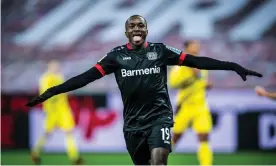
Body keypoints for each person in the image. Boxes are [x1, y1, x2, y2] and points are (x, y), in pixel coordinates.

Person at [26, 15, 262, 165]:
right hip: (133, 124)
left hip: (160, 117)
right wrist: (53, 90)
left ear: (146, 31)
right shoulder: (115, 57)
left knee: (159, 160)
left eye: (141, 25)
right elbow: (85, 77)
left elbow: (196, 61)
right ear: (126, 32)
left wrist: (231, 66)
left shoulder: (160, 51)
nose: (137, 28)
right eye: (132, 26)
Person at [168, 40, 213, 165]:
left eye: (197, 45)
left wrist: (205, 85)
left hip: (201, 106)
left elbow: (200, 82)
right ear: (187, 48)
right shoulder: (180, 65)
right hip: (185, 106)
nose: (197, 47)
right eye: (194, 45)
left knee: (204, 137)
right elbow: (173, 83)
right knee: (175, 137)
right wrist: (190, 77)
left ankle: (206, 164)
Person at [30, 60, 83, 165]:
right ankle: (35, 151)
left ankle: (74, 157)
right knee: (48, 133)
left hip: (63, 109)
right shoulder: (45, 78)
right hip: (52, 110)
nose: (57, 68)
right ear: (49, 67)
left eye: (57, 66)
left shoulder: (60, 76)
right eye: (54, 66)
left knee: (69, 131)